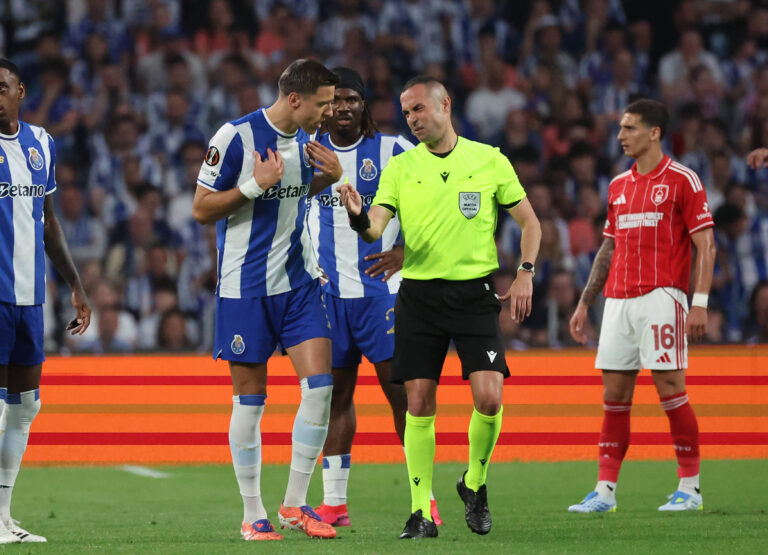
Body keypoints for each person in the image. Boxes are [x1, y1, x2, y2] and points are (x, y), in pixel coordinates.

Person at [339, 76, 541, 539]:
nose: (412, 119)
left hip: (474, 295)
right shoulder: (402, 167)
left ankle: (474, 482)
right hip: (420, 297)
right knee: (418, 402)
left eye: (419, 109)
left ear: (445, 105)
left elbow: (530, 222)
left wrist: (526, 270)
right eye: (406, 112)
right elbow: (374, 228)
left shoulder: (489, 160)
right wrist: (355, 214)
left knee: (490, 398)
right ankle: (420, 513)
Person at [192, 59, 344, 541]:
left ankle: (294, 506)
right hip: (245, 289)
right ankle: (252, 513)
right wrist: (254, 184)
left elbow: (295, 192)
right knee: (250, 403)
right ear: (295, 99)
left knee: (321, 388)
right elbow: (200, 208)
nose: (329, 114)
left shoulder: (309, 144)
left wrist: (331, 176)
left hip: (299, 284)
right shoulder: (234, 138)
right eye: (323, 104)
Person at [306, 67, 442, 527]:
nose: (342, 107)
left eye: (351, 99)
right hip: (327, 299)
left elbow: (438, 201)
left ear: (364, 105)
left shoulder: (394, 151)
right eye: (335, 100)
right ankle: (335, 504)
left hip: (381, 297)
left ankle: (425, 500)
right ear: (325, 107)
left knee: (401, 395)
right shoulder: (307, 155)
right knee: (334, 399)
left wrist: (406, 250)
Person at [568, 99, 716, 513]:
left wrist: (699, 303)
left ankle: (690, 488)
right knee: (614, 395)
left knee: (671, 388)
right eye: (620, 128)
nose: (620, 136)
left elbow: (706, 243)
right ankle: (604, 492)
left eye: (630, 128)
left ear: (654, 133)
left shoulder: (684, 180)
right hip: (618, 300)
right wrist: (584, 303)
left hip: (662, 296)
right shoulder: (618, 185)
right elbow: (609, 247)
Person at [0, 58, 92, 543]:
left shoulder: (41, 144)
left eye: (0, 86)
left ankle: (3, 518)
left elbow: (49, 222)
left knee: (24, 407)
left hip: (29, 297)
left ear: (20, 90)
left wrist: (75, 284)